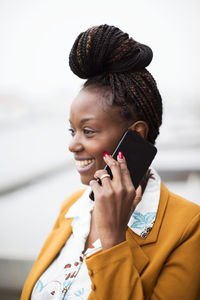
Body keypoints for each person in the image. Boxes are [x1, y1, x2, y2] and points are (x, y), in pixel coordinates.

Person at [21, 24, 200, 300]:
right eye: (72, 131)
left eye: (88, 131)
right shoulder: (72, 208)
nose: (72, 144)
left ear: (136, 136)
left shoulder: (188, 227)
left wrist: (114, 239)